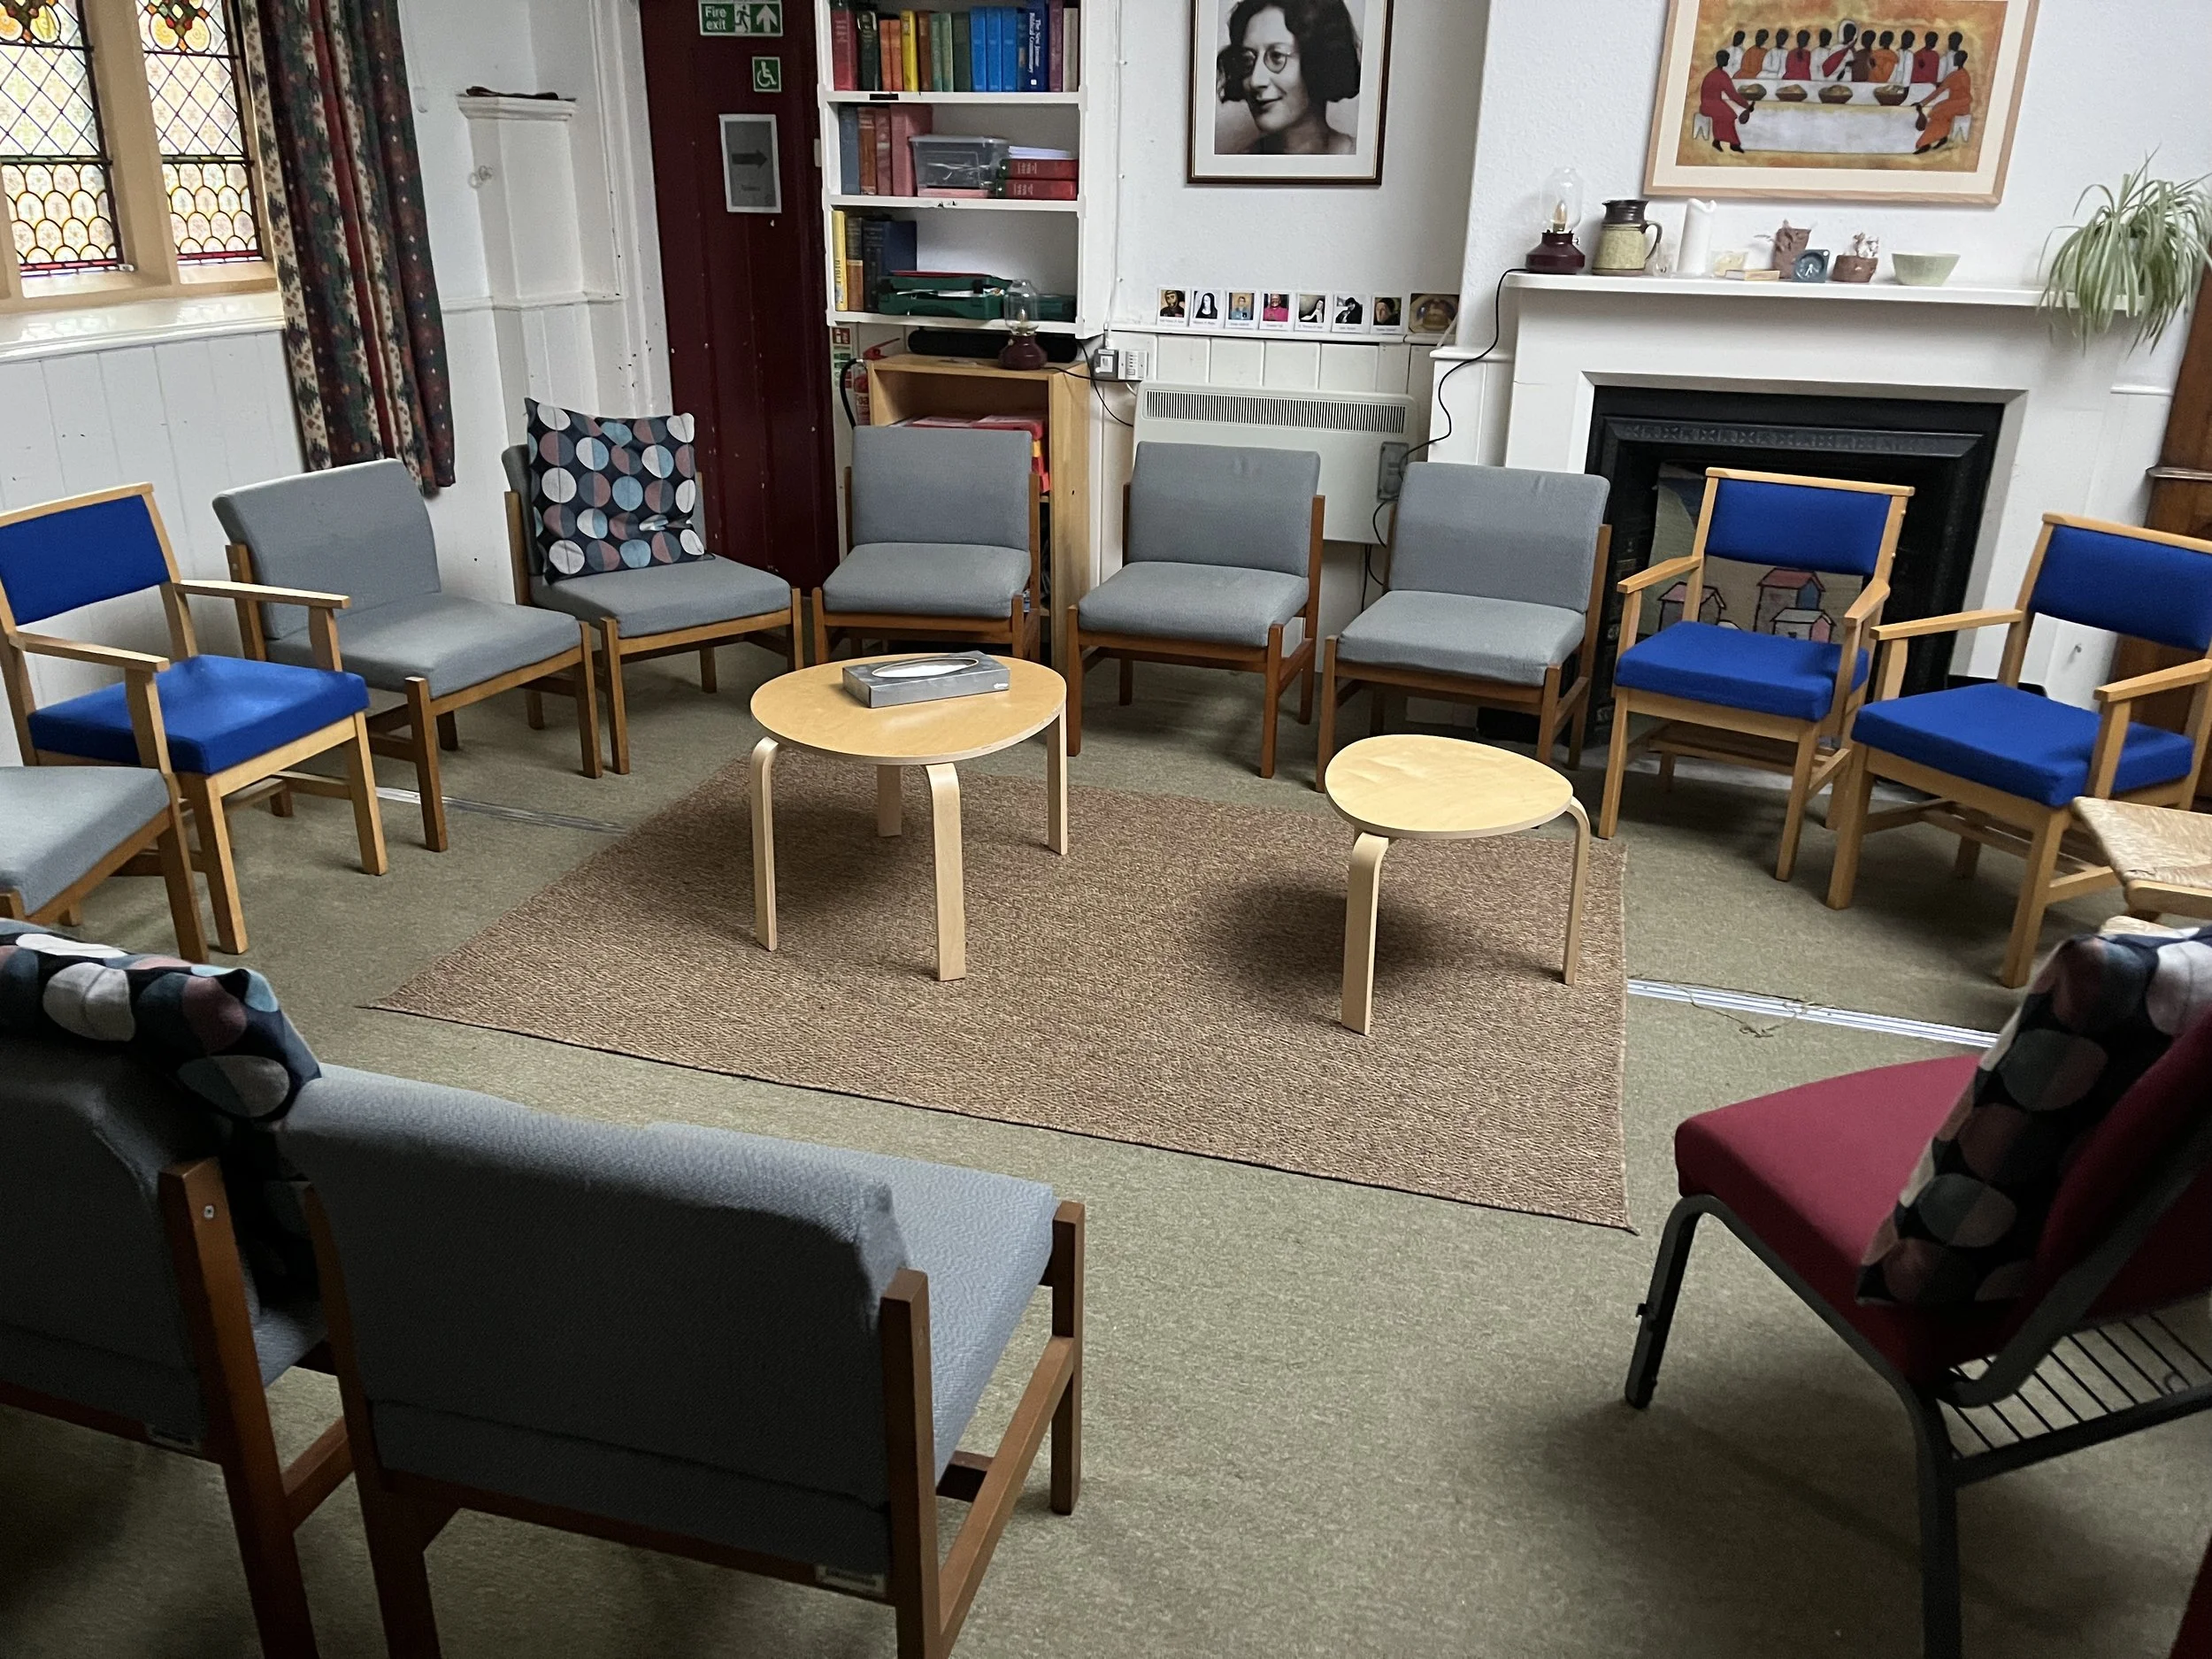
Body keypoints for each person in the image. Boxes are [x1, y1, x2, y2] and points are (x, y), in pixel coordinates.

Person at [1215, 0, 1360, 157]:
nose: (1255, 80)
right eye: (1247, 60)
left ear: (1319, 62)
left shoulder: (1362, 161)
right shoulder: (1237, 168)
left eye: (1277, 56)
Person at [1915, 47, 1970, 152]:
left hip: (1961, 105)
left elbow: (1938, 91)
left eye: (1956, 58)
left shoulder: (1958, 75)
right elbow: (1940, 90)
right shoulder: (1961, 74)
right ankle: (1938, 138)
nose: (1954, 59)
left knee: (1938, 111)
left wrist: (1922, 103)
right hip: (1956, 103)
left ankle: (1926, 143)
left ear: (1959, 60)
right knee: (1938, 111)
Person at [1699, 47, 1753, 151]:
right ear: (1722, 60)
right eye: (1727, 59)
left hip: (1708, 103)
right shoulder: (1722, 76)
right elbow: (1733, 95)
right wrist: (1746, 105)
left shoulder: (1711, 73)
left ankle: (1717, 141)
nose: (1728, 61)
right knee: (1729, 116)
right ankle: (1734, 144)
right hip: (1712, 104)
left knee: (1723, 114)